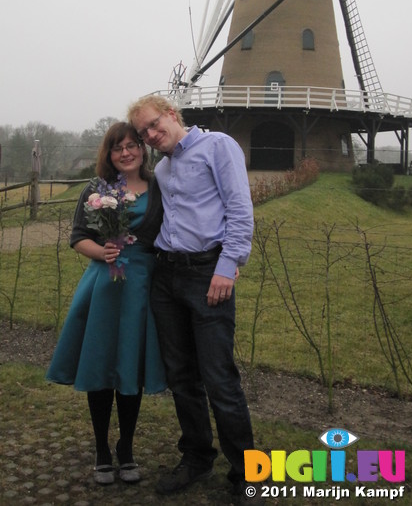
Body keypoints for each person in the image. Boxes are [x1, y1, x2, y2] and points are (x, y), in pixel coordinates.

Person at [128, 95, 263, 505]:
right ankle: (197, 456)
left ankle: (248, 473)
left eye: (153, 124)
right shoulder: (165, 169)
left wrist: (228, 264)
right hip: (167, 277)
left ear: (171, 113)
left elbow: (240, 208)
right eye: (143, 133)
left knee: (219, 377)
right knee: (182, 377)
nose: (151, 135)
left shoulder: (218, 146)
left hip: (208, 274)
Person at [46, 122, 166, 485]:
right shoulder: (96, 189)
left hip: (141, 288)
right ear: (109, 154)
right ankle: (102, 451)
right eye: (118, 148)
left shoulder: (160, 188)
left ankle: (126, 449)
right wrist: (103, 251)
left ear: (143, 149)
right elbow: (78, 237)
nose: (126, 152)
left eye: (132, 145)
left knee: (130, 367)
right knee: (100, 365)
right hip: (103, 285)